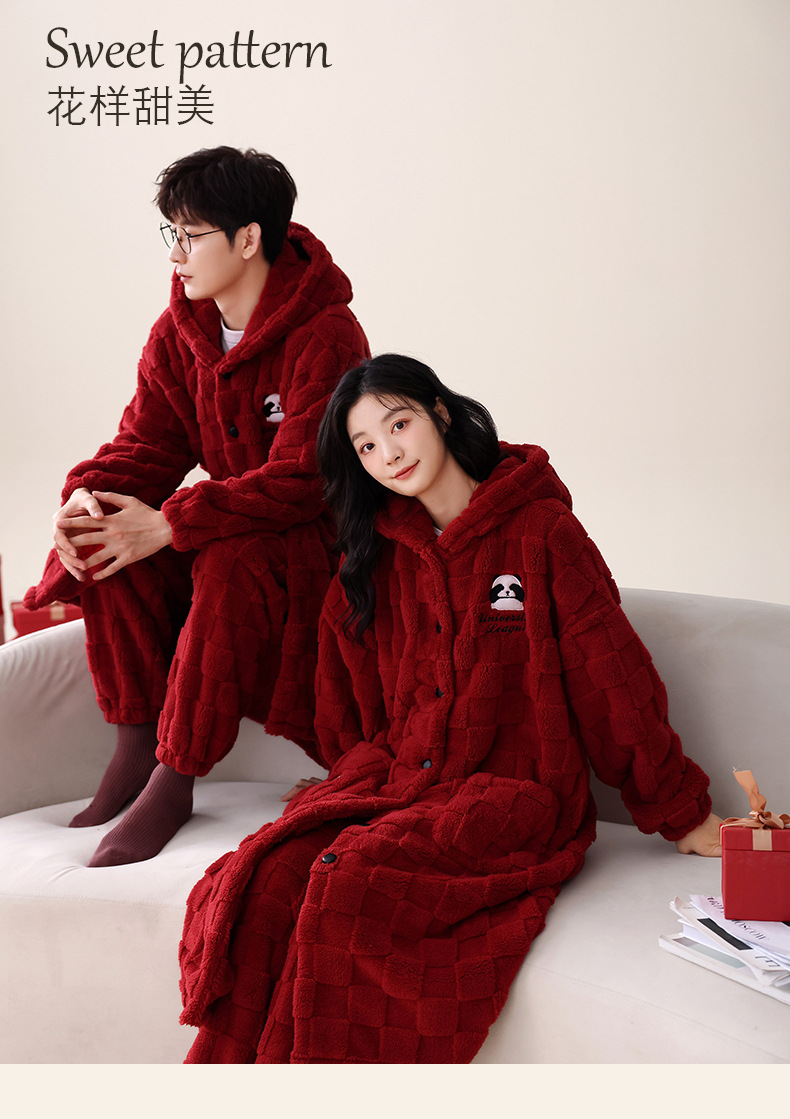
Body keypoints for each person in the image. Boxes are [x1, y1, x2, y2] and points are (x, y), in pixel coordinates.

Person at [177, 353, 722, 1064]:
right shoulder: (380, 553)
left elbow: (610, 677)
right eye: (365, 446)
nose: (388, 453)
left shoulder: (542, 533)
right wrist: (347, 778)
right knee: (271, 875)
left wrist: (682, 812)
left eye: (398, 425)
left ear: (438, 411)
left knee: (351, 879)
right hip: (406, 779)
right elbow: (352, 687)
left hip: (515, 794)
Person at [23, 146, 369, 868]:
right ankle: (134, 744)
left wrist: (173, 522)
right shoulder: (179, 330)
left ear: (248, 239)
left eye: (190, 235)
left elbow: (305, 480)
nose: (175, 253)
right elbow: (146, 443)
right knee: (109, 524)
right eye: (170, 233)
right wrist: (84, 497)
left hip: (312, 550)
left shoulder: (327, 334)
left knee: (227, 551)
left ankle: (174, 774)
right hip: (226, 531)